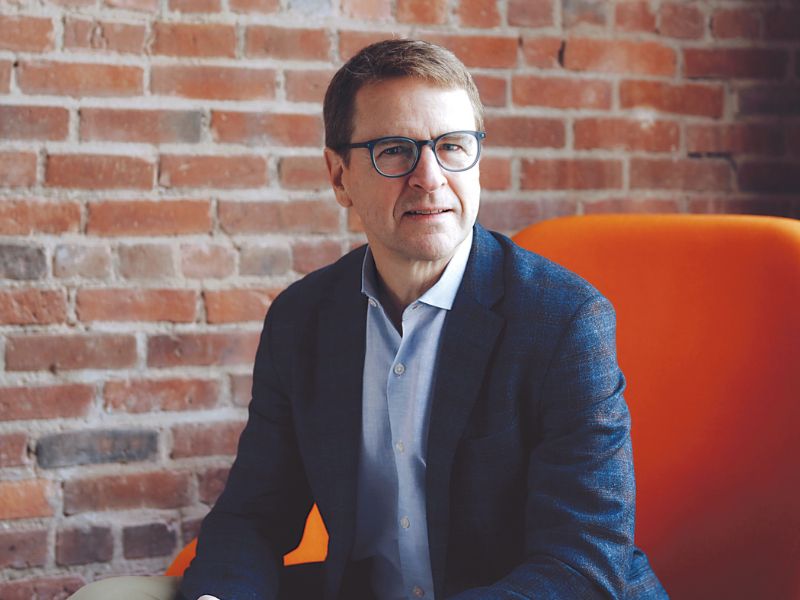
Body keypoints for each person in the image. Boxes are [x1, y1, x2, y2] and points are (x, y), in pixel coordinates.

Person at [70, 39, 667, 600]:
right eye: (395, 151)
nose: (430, 177)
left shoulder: (563, 319)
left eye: (453, 145)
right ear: (339, 177)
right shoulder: (302, 320)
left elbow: (581, 563)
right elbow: (256, 514)